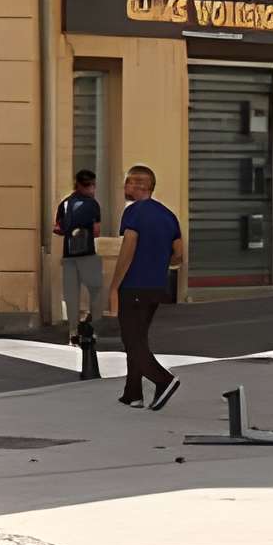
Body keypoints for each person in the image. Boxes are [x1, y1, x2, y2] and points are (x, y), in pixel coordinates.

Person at [108, 166, 185, 412]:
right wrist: (158, 262)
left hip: (133, 286)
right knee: (138, 338)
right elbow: (179, 255)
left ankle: (163, 380)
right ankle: (133, 393)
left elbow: (128, 249)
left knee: (132, 341)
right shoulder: (168, 215)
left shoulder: (134, 213)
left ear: (139, 185)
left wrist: (114, 285)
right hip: (156, 286)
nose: (124, 189)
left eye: (127, 183)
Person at [53, 170, 106, 335]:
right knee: (96, 291)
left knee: (71, 296)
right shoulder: (92, 205)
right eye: (91, 185)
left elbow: (57, 228)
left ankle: (73, 332)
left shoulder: (65, 204)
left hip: (69, 256)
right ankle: (92, 327)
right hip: (88, 255)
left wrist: (69, 231)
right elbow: (97, 231)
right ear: (88, 185)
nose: (93, 189)